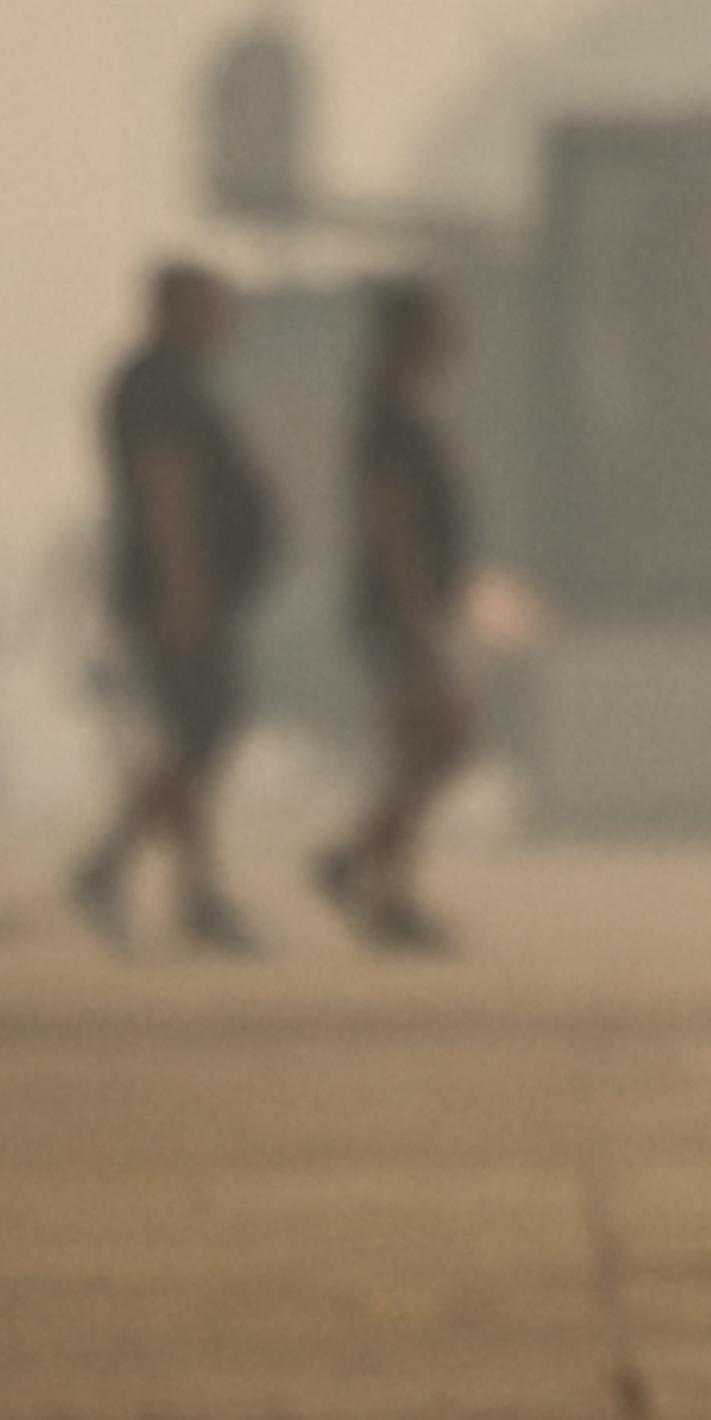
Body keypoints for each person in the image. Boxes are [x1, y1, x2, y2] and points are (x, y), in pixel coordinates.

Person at [69, 259, 275, 954]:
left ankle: (194, 892)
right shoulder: (158, 387)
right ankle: (113, 866)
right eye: (212, 307)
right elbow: (168, 495)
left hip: (189, 592)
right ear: (176, 309)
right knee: (195, 737)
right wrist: (185, 593)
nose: (225, 322)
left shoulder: (174, 382)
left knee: (196, 739)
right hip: (176, 597)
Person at [315, 276, 477, 951]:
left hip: (410, 608)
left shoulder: (401, 414)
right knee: (437, 742)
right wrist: (418, 615)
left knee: (426, 750)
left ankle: (368, 871)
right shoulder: (389, 420)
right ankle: (374, 881)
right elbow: (391, 523)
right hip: (399, 613)